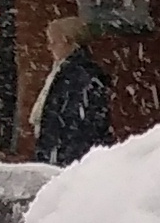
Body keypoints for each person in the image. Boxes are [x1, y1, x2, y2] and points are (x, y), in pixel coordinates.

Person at [13, 10, 110, 165]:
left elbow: (77, 124)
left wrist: (61, 156)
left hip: (70, 159)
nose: (49, 47)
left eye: (53, 41)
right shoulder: (67, 71)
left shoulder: (78, 75)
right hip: (66, 156)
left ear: (67, 41)